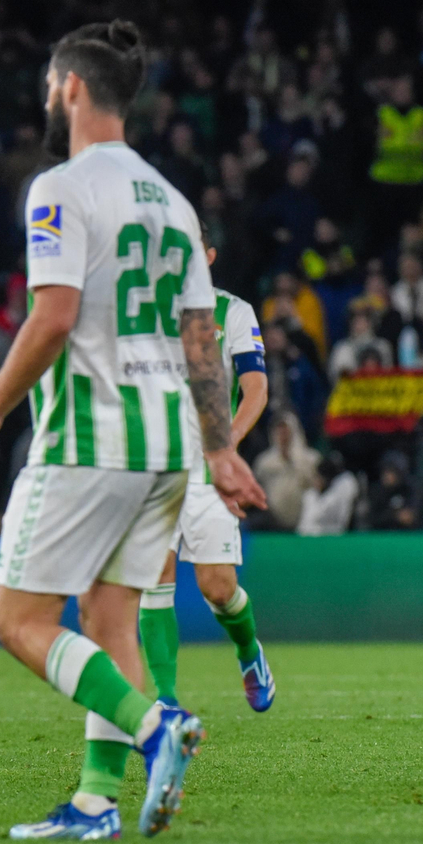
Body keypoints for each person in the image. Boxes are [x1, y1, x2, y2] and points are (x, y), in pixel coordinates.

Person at [0, 20, 266, 841]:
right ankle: (95, 802)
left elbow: (53, 317)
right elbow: (204, 336)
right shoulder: (174, 201)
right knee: (111, 622)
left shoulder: (61, 186)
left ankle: (159, 727)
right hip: (169, 446)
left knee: (20, 621)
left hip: (91, 437)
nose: (49, 97)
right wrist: (221, 449)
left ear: (74, 89)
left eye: (53, 85)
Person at [140, 244, 276, 717]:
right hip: (153, 465)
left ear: (210, 255)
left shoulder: (233, 311)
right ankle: (165, 699)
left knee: (217, 588)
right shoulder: (143, 310)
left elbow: (254, 386)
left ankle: (248, 653)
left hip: (207, 470)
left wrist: (226, 445)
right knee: (154, 576)